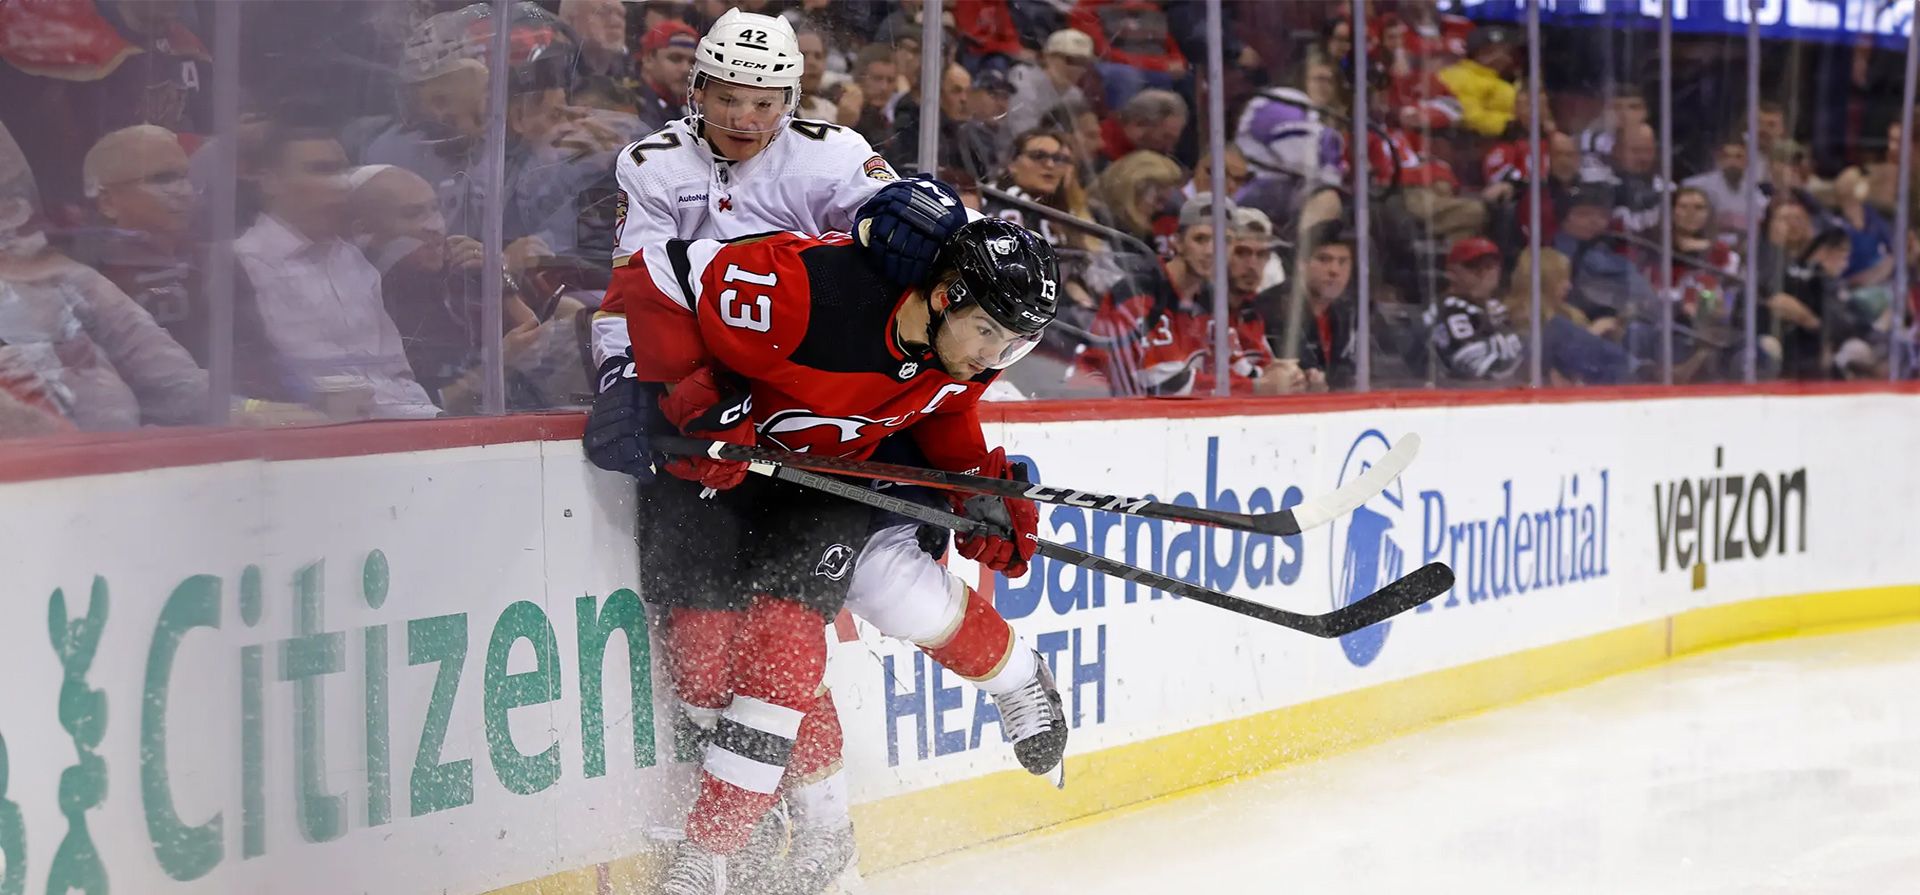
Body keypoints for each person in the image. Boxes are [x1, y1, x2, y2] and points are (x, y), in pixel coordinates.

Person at [587, 11, 1066, 890]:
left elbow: (946, 275)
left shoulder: (844, 172)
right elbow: (645, 282)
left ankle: (734, 853)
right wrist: (651, 386)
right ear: (694, 91)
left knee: (806, 631)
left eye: (763, 100)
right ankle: (802, 826)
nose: (743, 115)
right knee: (704, 668)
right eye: (725, 96)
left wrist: (973, 487)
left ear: (792, 99)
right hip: (735, 408)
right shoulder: (676, 187)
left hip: (824, 457)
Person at [234, 124, 440, 420]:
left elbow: (397, 375)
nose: (341, 184)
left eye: (342, 171)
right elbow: (287, 391)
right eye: (321, 170)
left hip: (409, 426)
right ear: (270, 181)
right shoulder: (242, 265)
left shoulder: (352, 259)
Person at [1422, 237, 1524, 382]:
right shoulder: (1449, 309)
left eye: (1490, 266)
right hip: (1460, 395)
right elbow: (1470, 364)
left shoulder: (1495, 307)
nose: (1484, 273)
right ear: (1452, 272)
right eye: (1474, 267)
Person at [1005, 29, 1094, 138]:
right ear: (1047, 57)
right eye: (1070, 60)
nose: (1076, 68)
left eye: (1083, 63)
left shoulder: (1075, 95)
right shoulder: (1023, 79)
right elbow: (1023, 135)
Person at [635, 22, 701, 132]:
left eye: (692, 62)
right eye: (675, 58)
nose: (686, 69)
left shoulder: (696, 109)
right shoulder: (631, 105)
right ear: (648, 59)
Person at [1100, 89, 1189, 165]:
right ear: (1141, 122)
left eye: (1173, 141)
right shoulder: (1100, 149)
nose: (1169, 148)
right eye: (1166, 137)